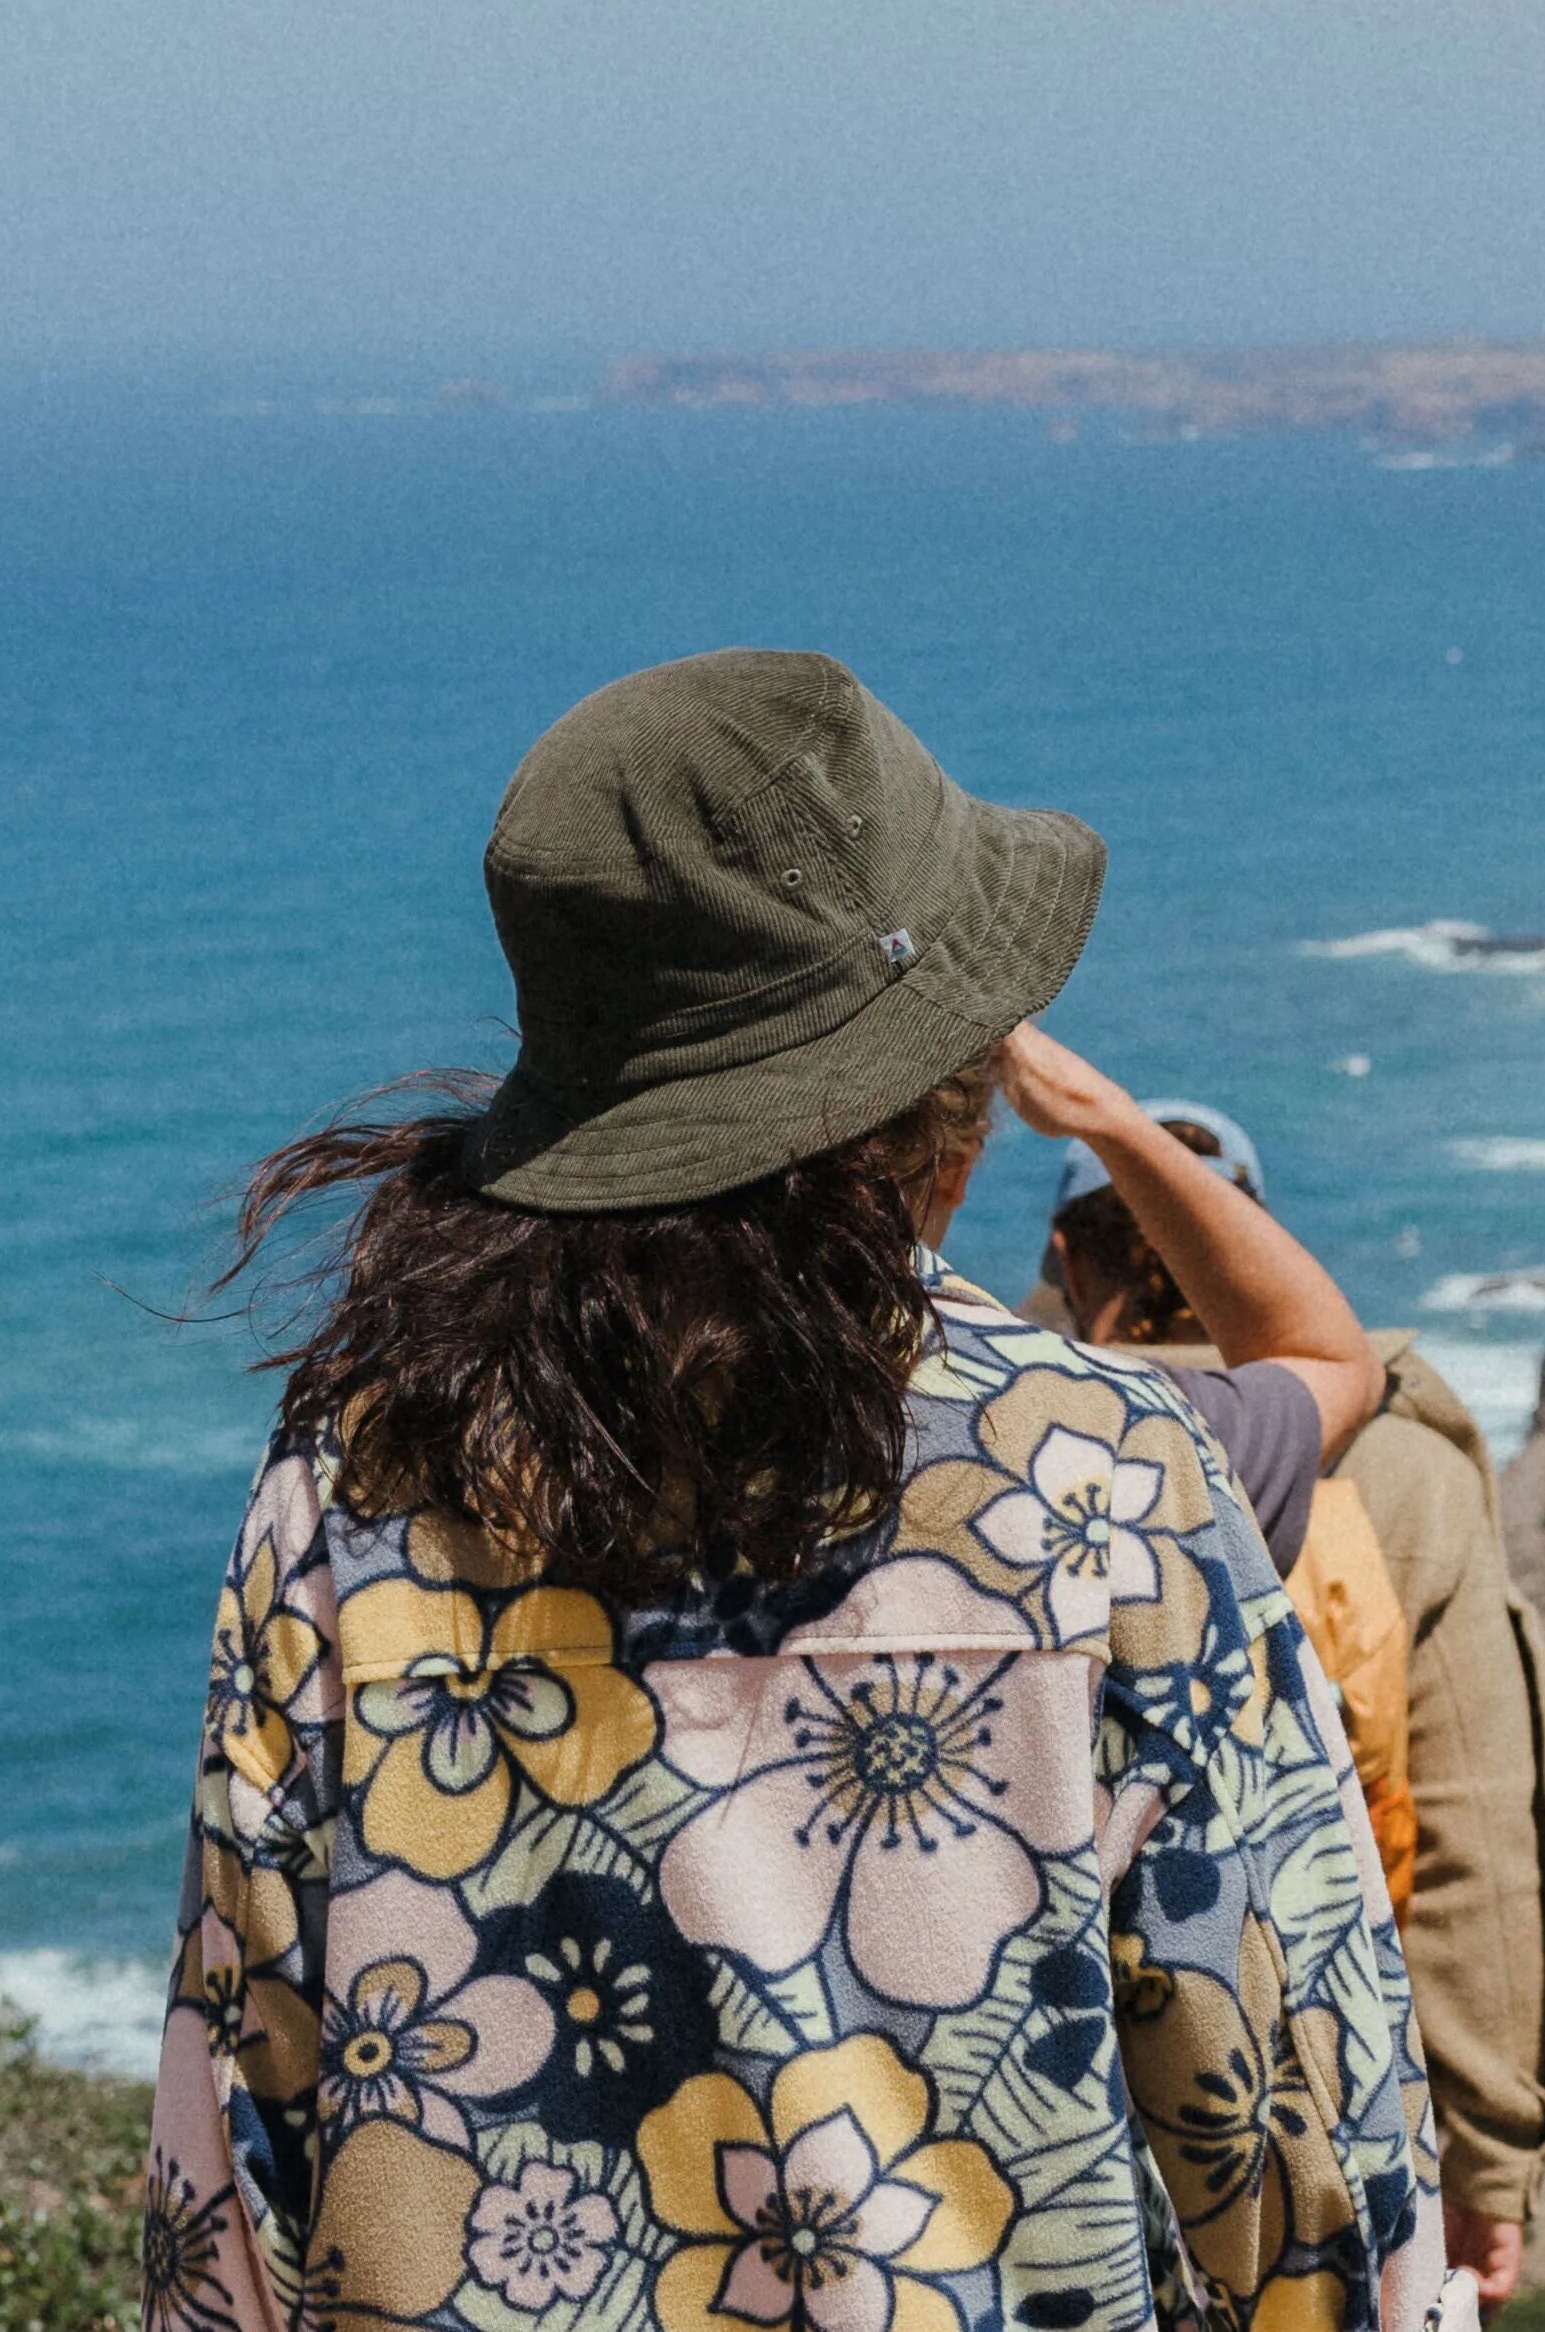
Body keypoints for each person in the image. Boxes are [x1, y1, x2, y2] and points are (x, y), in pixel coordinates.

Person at [144, 648, 1460, 2332]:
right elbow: (1300, 2125)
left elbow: (231, 2144)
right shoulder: (1102, 1477)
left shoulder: (356, 1486)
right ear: (944, 1125)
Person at [995, 1050, 1545, 2318]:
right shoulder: (1398, 1471)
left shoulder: (1022, 1456)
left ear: (1068, 1265)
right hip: (1330, 2108)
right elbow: (1472, 1846)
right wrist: (1490, 2165)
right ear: (1250, 1244)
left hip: (1056, 2112)